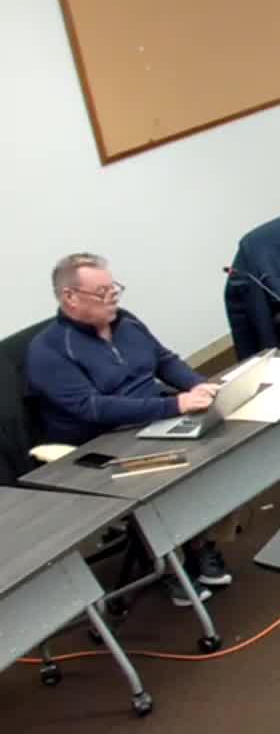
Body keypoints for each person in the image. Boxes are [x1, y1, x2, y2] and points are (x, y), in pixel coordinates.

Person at [26, 253, 225, 605]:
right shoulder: (48, 351)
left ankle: (198, 544)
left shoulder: (126, 322)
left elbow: (164, 360)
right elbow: (93, 408)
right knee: (171, 474)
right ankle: (168, 565)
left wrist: (198, 385)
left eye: (114, 288)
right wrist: (174, 405)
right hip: (99, 444)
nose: (113, 298)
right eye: (102, 292)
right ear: (70, 297)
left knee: (223, 447)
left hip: (154, 418)